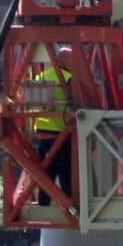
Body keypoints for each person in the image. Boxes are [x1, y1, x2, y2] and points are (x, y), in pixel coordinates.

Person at [32, 46, 79, 205]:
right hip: (62, 133)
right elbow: (77, 104)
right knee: (66, 172)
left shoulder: (41, 76)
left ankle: (43, 204)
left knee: (47, 173)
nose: (74, 62)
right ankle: (71, 204)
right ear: (64, 60)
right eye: (72, 59)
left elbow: (35, 104)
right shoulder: (69, 78)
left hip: (44, 133)